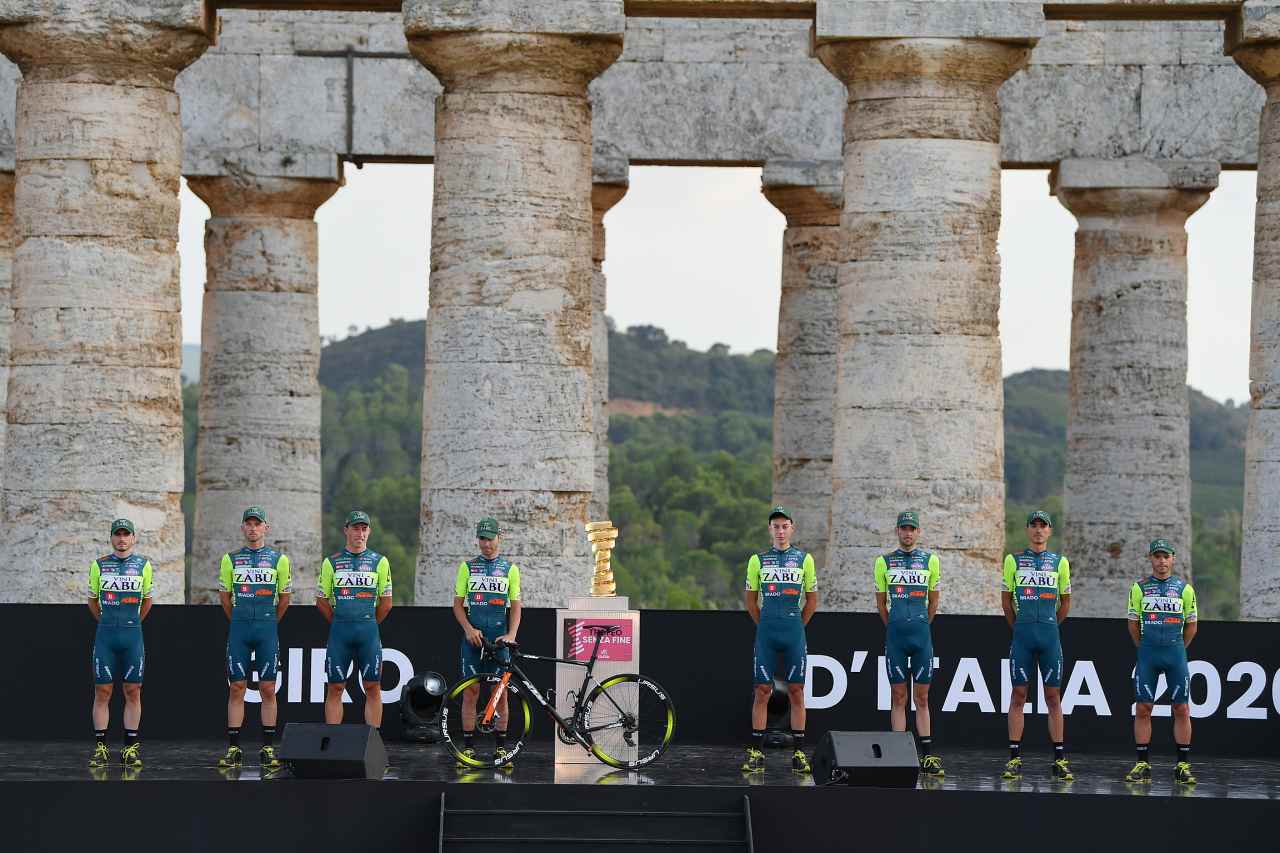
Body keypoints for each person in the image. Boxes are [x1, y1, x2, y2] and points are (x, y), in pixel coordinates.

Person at [742, 506, 818, 775]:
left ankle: (799, 753)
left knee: (797, 691)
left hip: (793, 631)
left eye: (785, 526)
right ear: (770, 529)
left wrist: (797, 625)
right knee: (762, 691)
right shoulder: (758, 560)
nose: (781, 531)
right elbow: (751, 602)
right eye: (776, 526)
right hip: (767, 632)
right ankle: (756, 752)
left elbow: (812, 601)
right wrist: (765, 624)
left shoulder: (805, 559)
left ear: (792, 528)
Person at [216, 506, 292, 770]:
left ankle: (268, 748)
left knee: (268, 688)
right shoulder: (230, 559)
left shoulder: (279, 559)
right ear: (242, 528)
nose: (252, 528)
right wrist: (240, 619)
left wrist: (268, 622)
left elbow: (284, 599)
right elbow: (225, 598)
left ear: (265, 528)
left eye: (257, 524)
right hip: (240, 628)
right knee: (236, 687)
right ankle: (234, 749)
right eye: (248, 524)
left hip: (266, 629)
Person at [1001, 510, 1073, 781]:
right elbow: (1006, 601)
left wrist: (1050, 624)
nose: (1039, 530)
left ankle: (1059, 760)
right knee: (1018, 695)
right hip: (1023, 636)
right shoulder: (1013, 560)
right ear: (1027, 529)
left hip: (1049, 636)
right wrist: (1020, 626)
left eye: (1044, 525)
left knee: (1053, 697)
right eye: (1034, 525)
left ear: (1050, 531)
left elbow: (1065, 602)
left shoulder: (1060, 562)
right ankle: (1014, 758)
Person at [874, 510, 943, 776]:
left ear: (918, 532)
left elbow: (933, 601)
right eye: (903, 528)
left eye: (912, 528)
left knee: (922, 698)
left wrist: (922, 623)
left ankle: (927, 756)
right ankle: (897, 756)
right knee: (898, 696)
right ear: (897, 531)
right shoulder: (883, 562)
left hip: (921, 636)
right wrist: (894, 625)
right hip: (896, 638)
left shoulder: (930, 560)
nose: (908, 533)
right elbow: (881, 604)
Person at [1125, 538, 1199, 785]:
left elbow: (1192, 626)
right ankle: (1142, 764)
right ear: (1151, 559)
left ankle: (1182, 766)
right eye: (1157, 556)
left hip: (1175, 654)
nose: (1162, 561)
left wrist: (1177, 648)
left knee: (1182, 709)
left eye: (1166, 556)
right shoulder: (1139, 588)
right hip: (1148, 654)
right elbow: (1133, 624)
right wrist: (1145, 648)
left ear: (1173, 559)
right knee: (1143, 708)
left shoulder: (1185, 589)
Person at [452, 517, 522, 767]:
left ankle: (501, 748)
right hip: (474, 641)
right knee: (471, 692)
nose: (486, 544)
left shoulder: (510, 569)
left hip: (499, 641)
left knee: (500, 694)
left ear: (499, 538)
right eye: (482, 539)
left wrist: (511, 635)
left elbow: (516, 607)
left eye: (490, 539)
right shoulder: (467, 567)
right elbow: (457, 606)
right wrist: (468, 629)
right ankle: (468, 748)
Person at [317, 510, 393, 727]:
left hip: (368, 632)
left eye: (364, 529)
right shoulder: (331, 562)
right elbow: (321, 601)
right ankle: (332, 739)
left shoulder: (380, 562)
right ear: (346, 530)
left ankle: (373, 740)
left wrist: (368, 622)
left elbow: (386, 603)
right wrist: (340, 621)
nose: (360, 533)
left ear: (369, 532)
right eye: (355, 528)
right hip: (340, 633)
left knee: (372, 686)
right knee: (335, 687)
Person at [88, 518, 153, 769]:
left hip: (132, 636)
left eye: (126, 534)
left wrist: (132, 622)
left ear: (133, 538)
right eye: (118, 534)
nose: (122, 539)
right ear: (111, 538)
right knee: (102, 691)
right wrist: (107, 622)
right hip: (105, 636)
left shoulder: (143, 565)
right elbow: (92, 601)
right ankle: (100, 749)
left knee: (133, 690)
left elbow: (147, 601)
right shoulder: (99, 565)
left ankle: (130, 748)